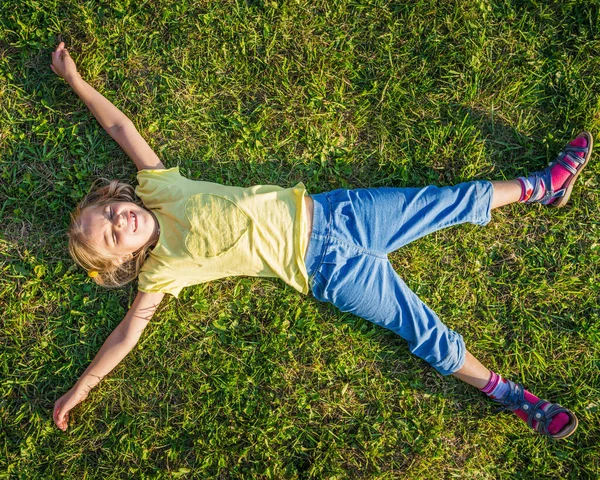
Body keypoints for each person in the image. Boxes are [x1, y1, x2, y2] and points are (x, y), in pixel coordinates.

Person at [50, 42, 592, 439]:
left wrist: (78, 83)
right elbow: (125, 336)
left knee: (444, 199)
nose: (121, 222)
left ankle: (541, 187)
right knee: (423, 331)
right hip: (330, 274)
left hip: (341, 214)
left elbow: (122, 130)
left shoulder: (159, 189)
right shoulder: (160, 272)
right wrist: (86, 385)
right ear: (122, 261)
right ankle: (512, 396)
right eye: (113, 235)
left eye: (112, 213)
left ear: (120, 196)